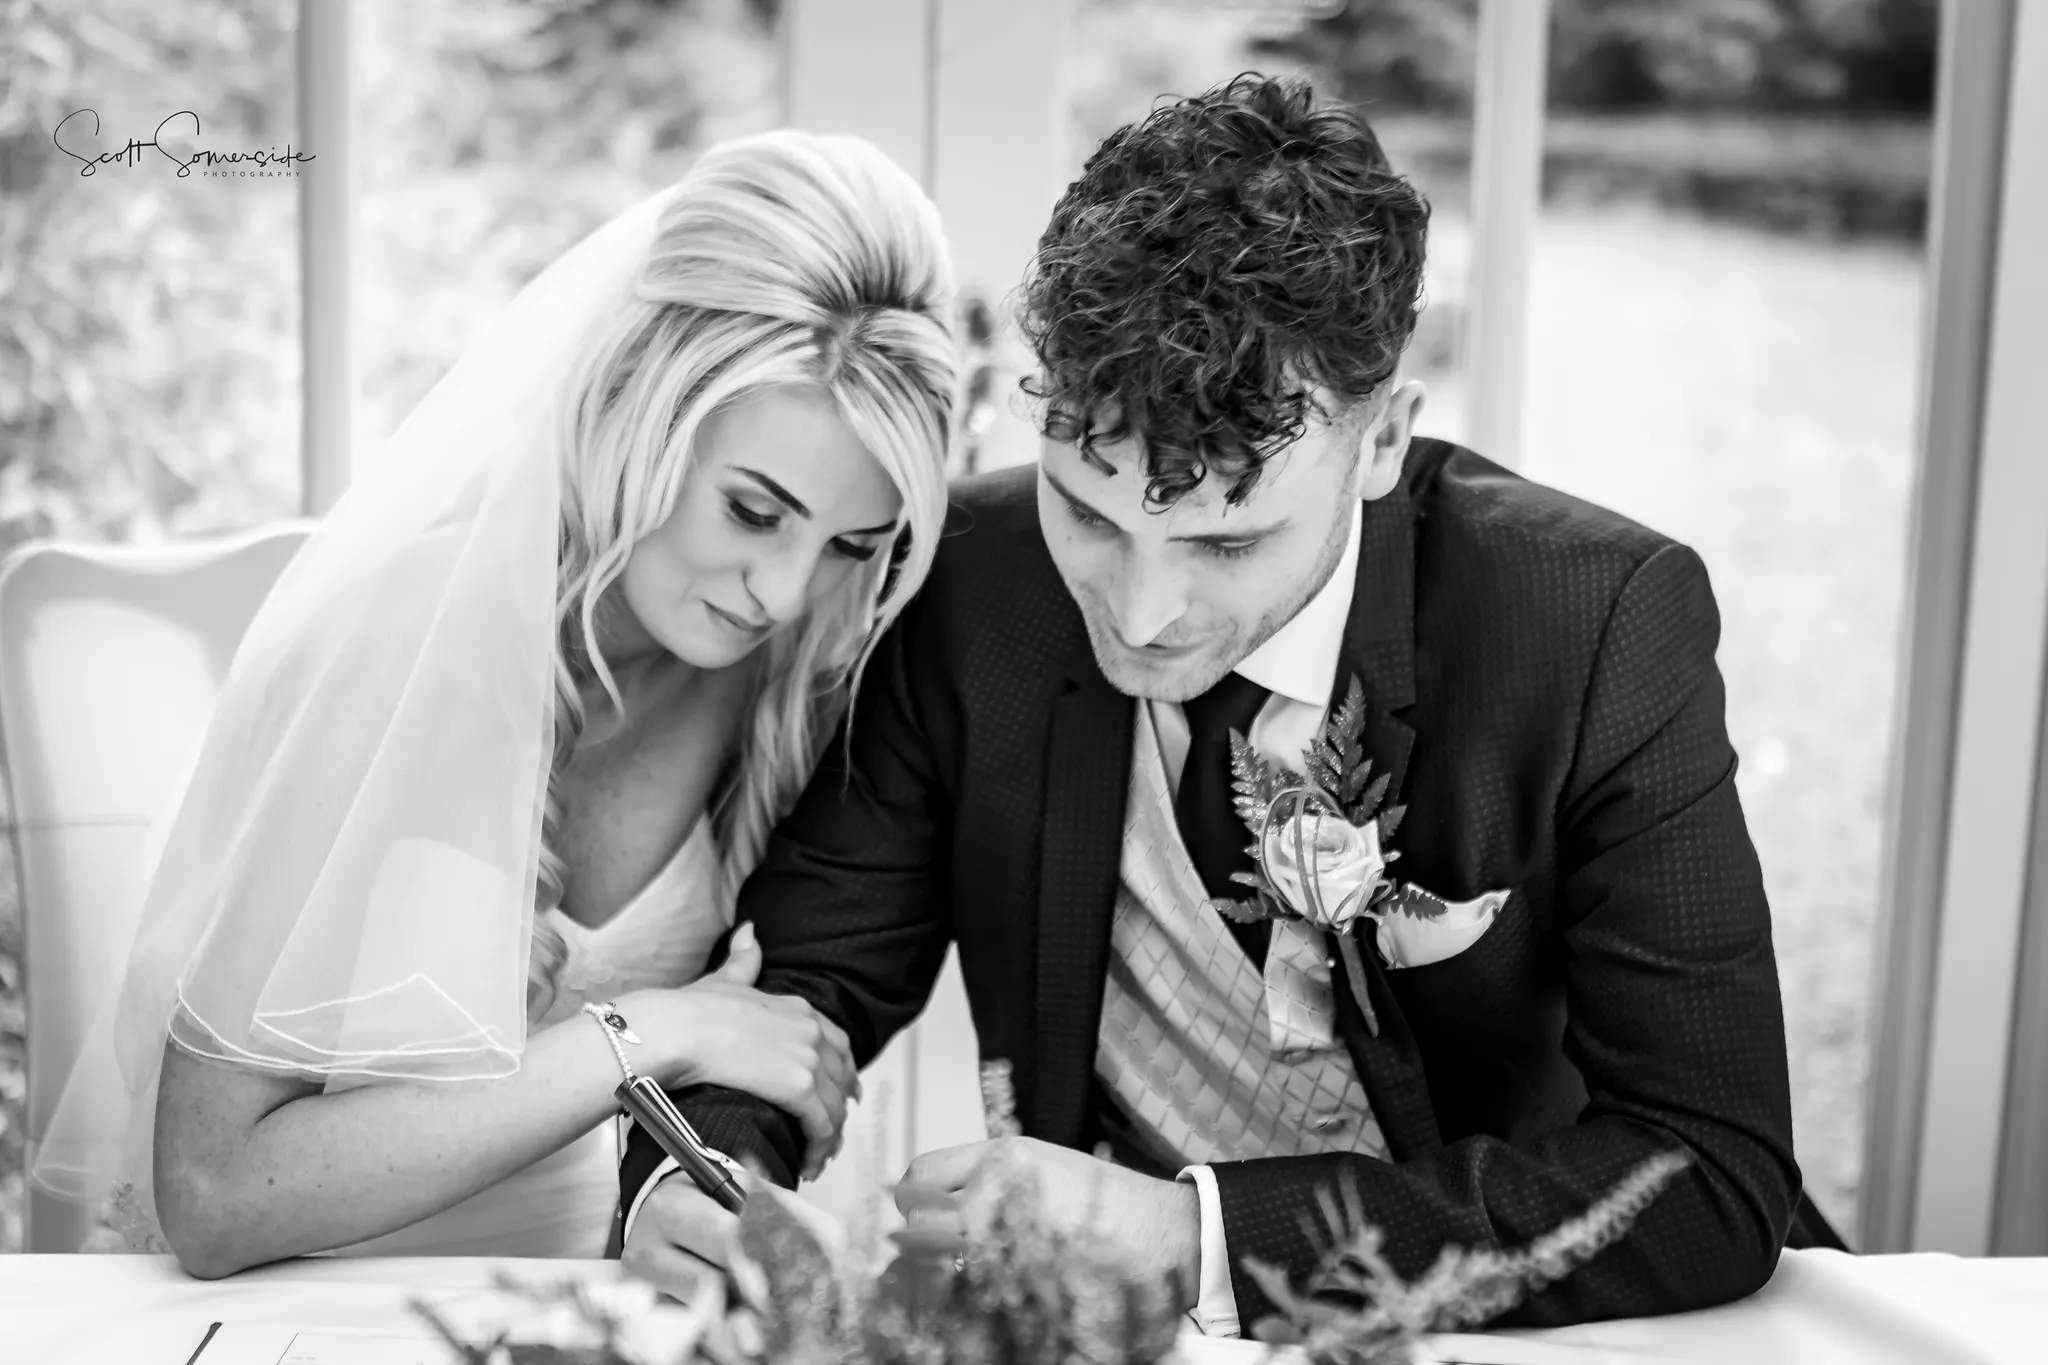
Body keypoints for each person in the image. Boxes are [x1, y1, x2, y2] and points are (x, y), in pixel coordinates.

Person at [619, 76, 1816, 1332]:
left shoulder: (1597, 624)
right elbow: (802, 984)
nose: (1137, 615)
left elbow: (1710, 1172)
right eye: (1086, 511)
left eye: (1226, 543)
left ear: (1382, 440)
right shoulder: (965, 581)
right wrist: (689, 1182)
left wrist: (1192, 1238)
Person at [30, 129, 961, 1277]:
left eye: (848, 544)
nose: (782, 592)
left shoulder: (796, 664)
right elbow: (211, 1195)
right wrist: (655, 1031)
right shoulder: (407, 632)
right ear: (636, 402)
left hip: (586, 1296)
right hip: (302, 1306)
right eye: (753, 512)